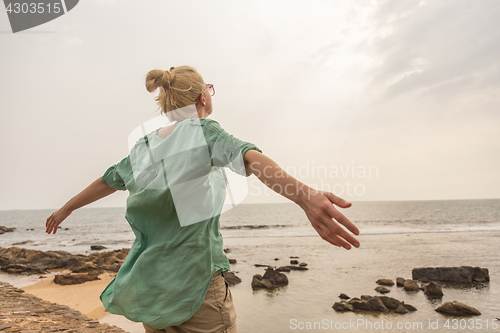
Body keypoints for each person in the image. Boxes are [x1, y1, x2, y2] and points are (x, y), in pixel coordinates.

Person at [45, 66, 360, 333]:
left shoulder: (144, 147)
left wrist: (66, 209)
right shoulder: (203, 130)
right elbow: (248, 157)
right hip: (196, 286)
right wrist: (304, 196)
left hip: (151, 285)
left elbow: (107, 180)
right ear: (202, 97)